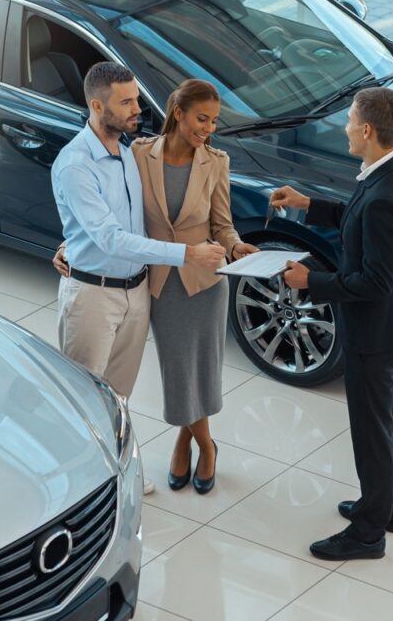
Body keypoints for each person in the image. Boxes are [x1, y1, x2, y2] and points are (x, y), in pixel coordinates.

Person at [51, 62, 226, 496]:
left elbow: (127, 223)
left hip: (136, 291)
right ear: (97, 106)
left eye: (134, 98)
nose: (136, 108)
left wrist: (67, 242)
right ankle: (82, 491)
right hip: (94, 294)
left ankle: (118, 477)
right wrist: (186, 253)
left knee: (118, 398)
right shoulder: (77, 164)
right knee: (84, 398)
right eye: (125, 101)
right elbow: (108, 236)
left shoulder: (127, 152)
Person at [271, 87, 393, 561]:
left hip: (372, 333)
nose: (344, 127)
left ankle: (367, 533)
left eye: (350, 119)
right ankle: (389, 506)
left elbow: (372, 281)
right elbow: (359, 220)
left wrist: (310, 281)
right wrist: (308, 204)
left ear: (368, 130)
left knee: (372, 432)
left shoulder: (383, 197)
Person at [132, 79, 258, 494]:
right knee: (177, 371)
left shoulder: (215, 162)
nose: (208, 128)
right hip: (162, 283)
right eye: (201, 119)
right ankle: (206, 443)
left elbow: (221, 224)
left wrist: (236, 246)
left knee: (201, 370)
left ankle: (188, 442)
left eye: (214, 121)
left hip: (206, 283)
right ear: (178, 112)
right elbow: (121, 218)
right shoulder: (137, 155)